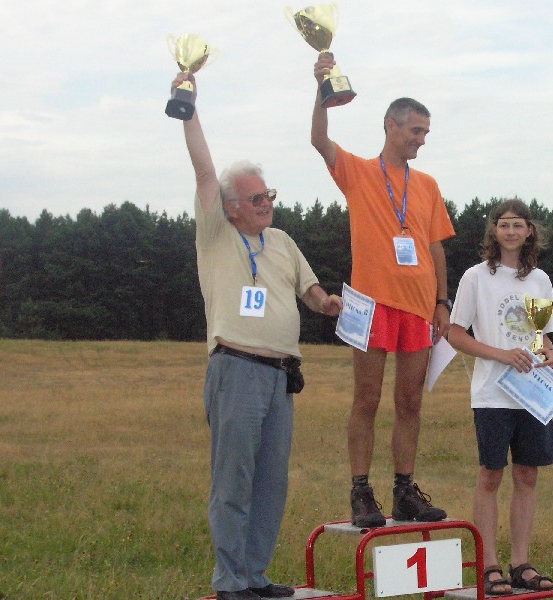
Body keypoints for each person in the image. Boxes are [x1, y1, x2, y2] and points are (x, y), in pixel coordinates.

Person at [174, 70, 343, 600]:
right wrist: (188, 105)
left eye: (267, 193)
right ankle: (230, 582)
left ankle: (255, 576)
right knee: (234, 480)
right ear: (230, 207)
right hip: (236, 369)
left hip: (280, 376)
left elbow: (310, 291)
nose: (265, 202)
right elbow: (205, 170)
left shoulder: (284, 242)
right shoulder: (216, 235)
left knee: (271, 481)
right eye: (254, 197)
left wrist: (328, 304)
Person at [310, 52, 456, 528]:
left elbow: (434, 246)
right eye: (416, 130)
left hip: (418, 307)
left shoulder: (427, 184)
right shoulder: (358, 171)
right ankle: (360, 491)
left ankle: (404, 490)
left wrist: (442, 302)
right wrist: (321, 89)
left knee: (410, 402)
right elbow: (318, 140)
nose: (422, 140)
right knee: (367, 399)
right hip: (368, 304)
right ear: (391, 126)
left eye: (426, 133)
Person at [447, 199, 553, 593]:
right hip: (492, 394)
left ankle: (521, 564)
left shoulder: (540, 280)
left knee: (527, 475)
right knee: (490, 475)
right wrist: (500, 355)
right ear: (494, 231)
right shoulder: (476, 277)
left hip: (531, 395)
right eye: (504, 224)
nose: (511, 231)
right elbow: (455, 334)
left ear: (529, 231)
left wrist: (548, 351)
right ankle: (489, 565)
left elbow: (541, 335)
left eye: (518, 225)